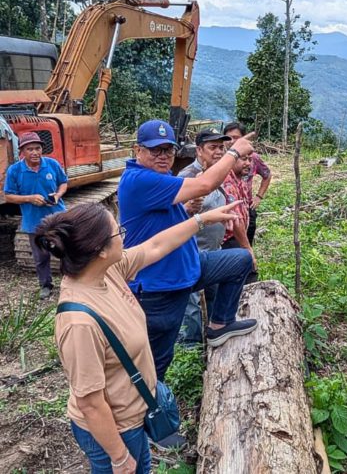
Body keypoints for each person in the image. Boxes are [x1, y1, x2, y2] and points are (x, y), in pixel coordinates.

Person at [36, 200, 241, 473]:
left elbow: (155, 246)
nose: (124, 235)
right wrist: (119, 457)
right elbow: (90, 403)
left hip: (133, 415)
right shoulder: (79, 323)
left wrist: (202, 220)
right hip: (115, 430)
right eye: (118, 231)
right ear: (99, 250)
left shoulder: (107, 272)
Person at [117, 119, 256, 382]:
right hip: (159, 285)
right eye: (155, 150)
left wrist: (190, 211)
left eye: (168, 150)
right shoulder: (139, 180)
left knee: (240, 260)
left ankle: (220, 324)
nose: (163, 156)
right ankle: (144, 403)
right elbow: (205, 184)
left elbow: (161, 221)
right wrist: (234, 152)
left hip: (188, 268)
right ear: (137, 150)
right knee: (156, 362)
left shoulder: (162, 177)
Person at [175, 129, 242, 344]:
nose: (219, 152)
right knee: (190, 304)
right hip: (191, 252)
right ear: (199, 150)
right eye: (212, 147)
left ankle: (215, 336)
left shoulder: (218, 174)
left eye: (221, 147)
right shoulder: (186, 177)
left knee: (214, 295)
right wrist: (188, 208)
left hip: (213, 250)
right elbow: (172, 218)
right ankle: (190, 347)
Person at [3, 131, 68, 299]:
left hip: (57, 217)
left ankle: (70, 281)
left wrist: (57, 195)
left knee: (65, 250)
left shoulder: (52, 164)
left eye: (37, 148)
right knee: (41, 256)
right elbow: (8, 196)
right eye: (30, 149)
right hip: (34, 221)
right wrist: (29, 198)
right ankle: (45, 285)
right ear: (22, 152)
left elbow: (63, 183)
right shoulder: (15, 170)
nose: (34, 152)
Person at [223, 122, 272, 245]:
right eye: (228, 138)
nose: (231, 141)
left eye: (236, 138)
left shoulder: (252, 157)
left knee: (247, 241)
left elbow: (267, 175)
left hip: (246, 206)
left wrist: (259, 197)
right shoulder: (220, 158)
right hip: (226, 210)